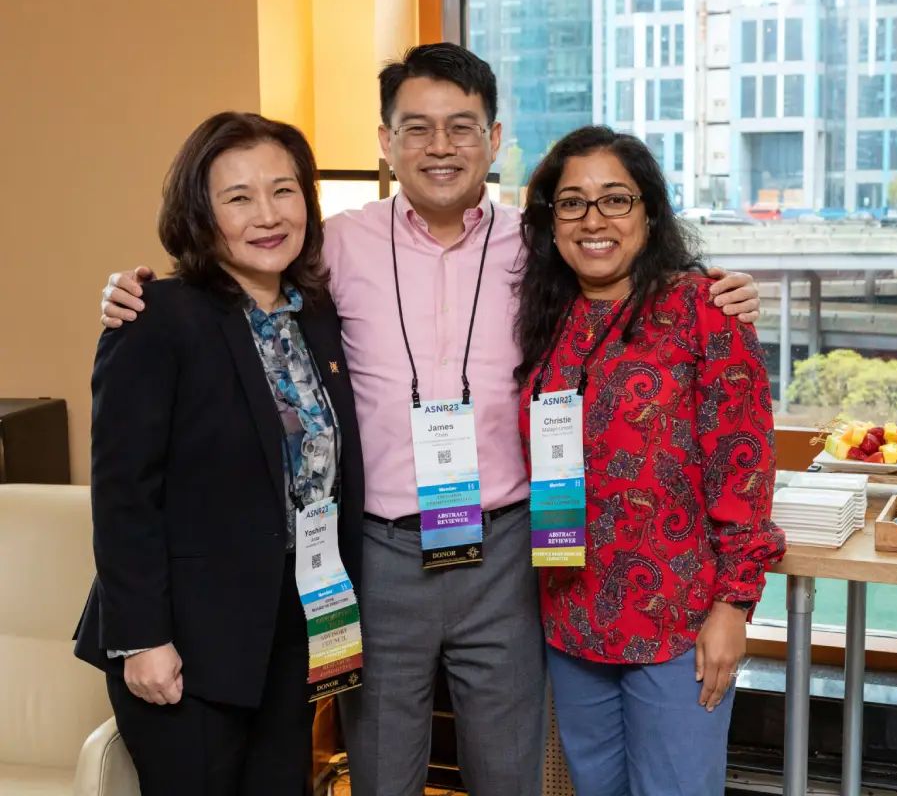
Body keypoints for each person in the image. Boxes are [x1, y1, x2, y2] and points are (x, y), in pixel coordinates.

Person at [97, 44, 760, 796]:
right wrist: (130, 293)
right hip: (374, 557)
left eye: (460, 127)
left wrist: (715, 289)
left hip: (509, 550)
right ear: (385, 142)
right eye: (416, 128)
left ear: (494, 138)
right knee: (379, 771)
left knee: (509, 773)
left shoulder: (540, 244)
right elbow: (239, 293)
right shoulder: (333, 245)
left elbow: (625, 269)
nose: (439, 147)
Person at [75, 112, 365, 795]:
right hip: (186, 644)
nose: (267, 215)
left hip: (290, 630)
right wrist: (142, 638)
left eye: (283, 190)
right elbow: (123, 494)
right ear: (201, 215)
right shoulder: (156, 317)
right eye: (238, 198)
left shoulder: (317, 315)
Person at [515, 126, 786, 796]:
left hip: (679, 622)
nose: (594, 220)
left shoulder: (704, 310)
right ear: (552, 223)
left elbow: (743, 464)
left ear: (649, 212)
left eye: (616, 199)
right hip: (571, 616)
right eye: (572, 203)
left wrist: (733, 605)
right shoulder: (544, 317)